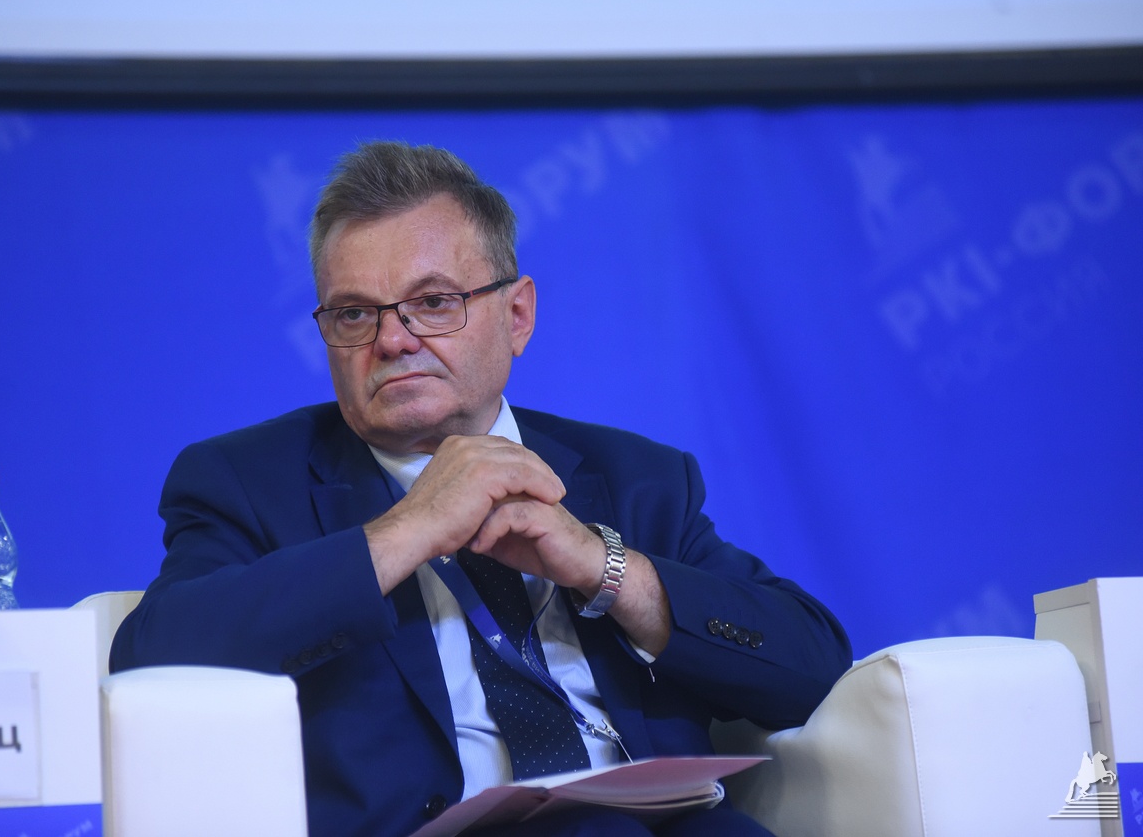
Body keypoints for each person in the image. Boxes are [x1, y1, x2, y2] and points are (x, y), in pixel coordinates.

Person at [111, 141, 851, 837]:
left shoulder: (636, 477)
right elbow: (153, 666)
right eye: (354, 313)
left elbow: (812, 670)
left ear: (517, 315)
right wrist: (407, 530)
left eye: (434, 302)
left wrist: (602, 567)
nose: (392, 340)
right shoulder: (247, 482)